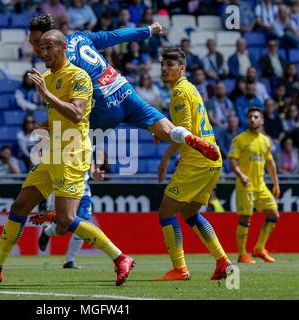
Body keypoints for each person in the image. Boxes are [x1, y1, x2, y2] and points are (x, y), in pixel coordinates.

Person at [0, 30, 135, 287]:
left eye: (49, 47)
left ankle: (120, 257)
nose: (43, 53)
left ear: (63, 47)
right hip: (53, 152)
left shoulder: (79, 76)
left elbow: (77, 114)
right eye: (41, 48)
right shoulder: (46, 77)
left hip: (73, 154)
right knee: (20, 206)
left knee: (66, 220)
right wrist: (45, 127)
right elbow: (58, 117)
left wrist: (46, 94)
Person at [27, 14, 220, 162]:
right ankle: (189, 137)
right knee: (168, 131)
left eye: (38, 43)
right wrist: (148, 30)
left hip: (102, 106)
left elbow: (72, 107)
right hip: (124, 90)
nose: (36, 49)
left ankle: (57, 204)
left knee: (66, 151)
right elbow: (116, 35)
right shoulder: (81, 37)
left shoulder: (61, 63)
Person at [155, 47, 231, 281]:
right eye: (163, 64)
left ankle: (180, 269)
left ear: (182, 68)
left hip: (197, 160)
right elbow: (183, 129)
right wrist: (165, 133)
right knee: (189, 213)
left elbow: (184, 131)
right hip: (212, 158)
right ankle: (222, 261)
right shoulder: (191, 88)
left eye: (170, 65)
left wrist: (166, 156)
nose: (165, 69)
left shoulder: (179, 92)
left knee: (166, 212)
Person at [228, 107, 280, 264]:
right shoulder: (239, 139)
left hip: (261, 186)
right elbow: (232, 159)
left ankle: (259, 248)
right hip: (245, 185)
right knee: (246, 218)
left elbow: (270, 163)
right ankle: (242, 254)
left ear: (262, 120)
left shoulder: (265, 141)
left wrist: (276, 184)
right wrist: (241, 175)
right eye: (250, 116)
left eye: (256, 117)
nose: (252, 119)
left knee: (273, 215)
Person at [36, 164, 105, 269]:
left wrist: (94, 174)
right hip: (65, 189)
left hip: (83, 191)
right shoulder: (63, 149)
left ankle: (70, 260)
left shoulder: (89, 148)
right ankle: (47, 232)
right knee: (63, 229)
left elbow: (91, 167)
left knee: (83, 223)